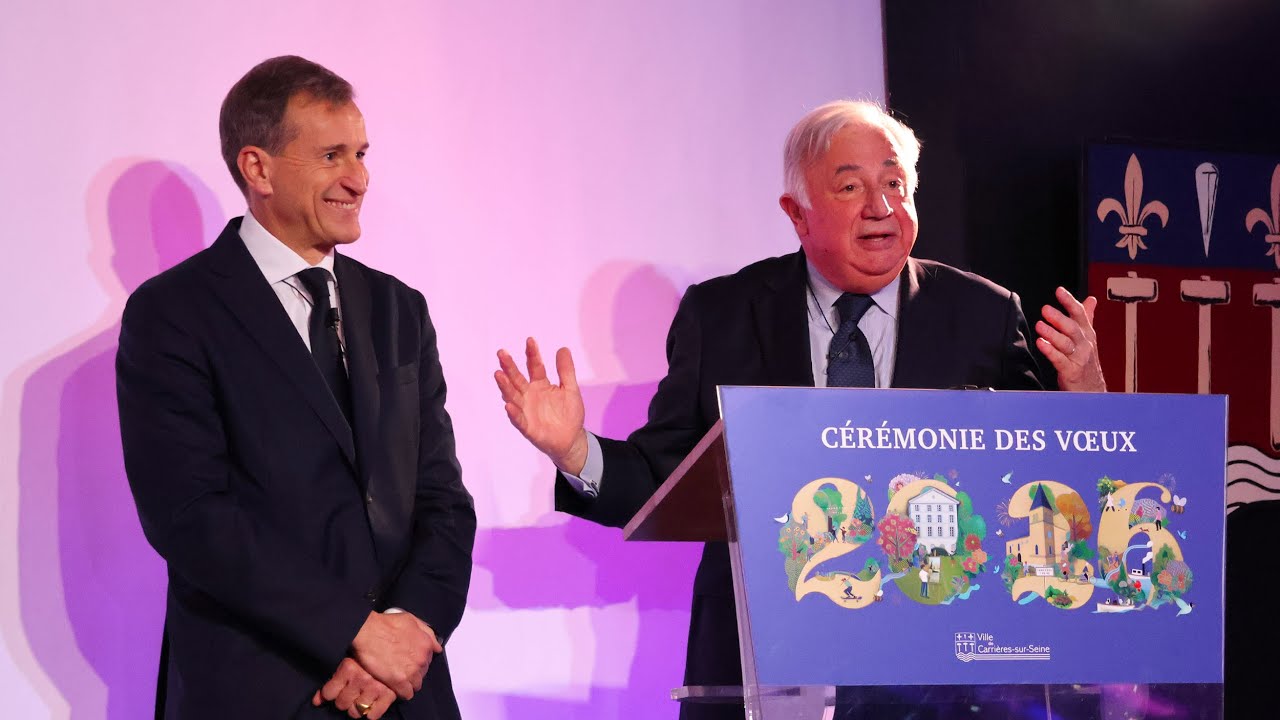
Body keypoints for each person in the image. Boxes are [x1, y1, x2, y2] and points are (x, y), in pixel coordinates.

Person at [494, 100, 1106, 719]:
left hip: (941, 668)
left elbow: (1047, 482)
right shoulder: (723, 315)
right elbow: (663, 478)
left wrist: (1085, 390)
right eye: (851, 187)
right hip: (762, 665)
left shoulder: (982, 314)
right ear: (797, 214)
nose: (881, 207)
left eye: (896, 184)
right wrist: (573, 450)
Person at [117, 56, 475, 720]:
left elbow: (442, 501)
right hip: (261, 690)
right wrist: (357, 634)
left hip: (405, 695)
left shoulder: (401, 309)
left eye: (362, 153)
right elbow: (192, 516)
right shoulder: (173, 313)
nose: (359, 178)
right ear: (258, 167)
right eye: (333, 155)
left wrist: (410, 629)